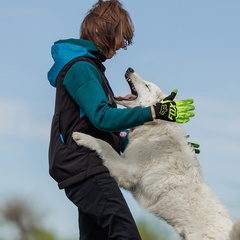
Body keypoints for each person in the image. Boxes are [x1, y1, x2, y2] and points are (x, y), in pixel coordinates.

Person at [47, 0, 195, 239]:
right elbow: (103, 118)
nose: (120, 46)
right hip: (83, 165)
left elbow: (102, 131)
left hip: (83, 165)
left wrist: (163, 146)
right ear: (98, 29)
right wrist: (155, 113)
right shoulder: (81, 68)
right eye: (119, 37)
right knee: (125, 234)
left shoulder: (91, 68)